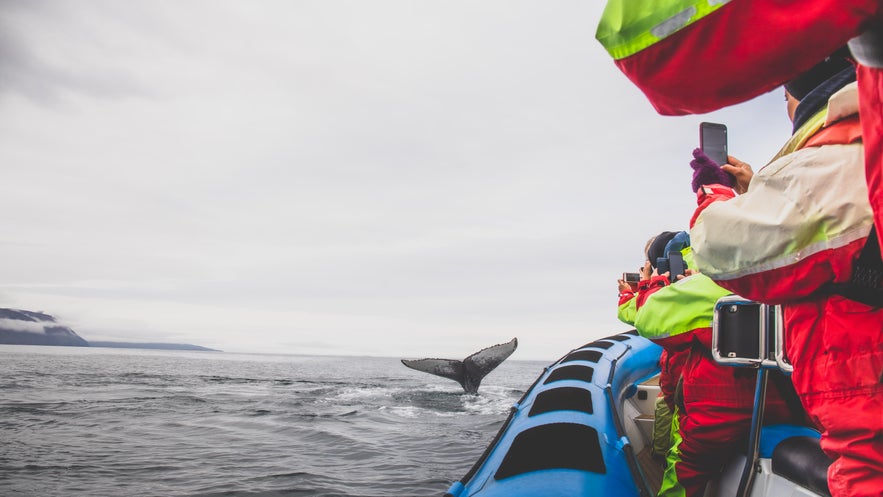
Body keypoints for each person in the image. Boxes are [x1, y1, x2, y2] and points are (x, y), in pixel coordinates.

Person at [689, 49, 883, 497]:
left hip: (869, 422)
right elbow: (830, 226)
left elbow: (719, 249)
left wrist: (712, 192)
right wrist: (756, 190)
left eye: (784, 97)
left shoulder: (840, 152)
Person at [633, 231, 795, 497]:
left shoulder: (707, 282)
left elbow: (648, 321)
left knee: (684, 472)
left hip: (717, 406)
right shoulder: (791, 270)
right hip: (789, 397)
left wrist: (660, 284)